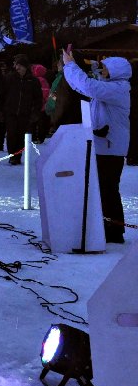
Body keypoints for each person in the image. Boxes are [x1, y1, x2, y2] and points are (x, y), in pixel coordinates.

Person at [61, 50, 131, 243]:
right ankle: (108, 227)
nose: (103, 69)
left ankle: (115, 231)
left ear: (117, 71)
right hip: (104, 145)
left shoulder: (118, 88)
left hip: (111, 147)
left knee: (109, 188)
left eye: (107, 68)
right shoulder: (111, 86)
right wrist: (73, 65)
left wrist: (70, 65)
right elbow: (81, 87)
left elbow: (87, 86)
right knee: (103, 188)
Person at [0, 54, 43, 166]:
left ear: (25, 67)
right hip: (11, 112)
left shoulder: (33, 81)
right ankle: (12, 156)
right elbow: (1, 95)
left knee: (21, 136)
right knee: (11, 134)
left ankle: (18, 156)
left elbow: (38, 98)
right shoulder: (9, 78)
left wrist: (35, 113)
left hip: (25, 113)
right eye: (16, 65)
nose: (17, 67)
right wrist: (0, 111)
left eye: (20, 65)